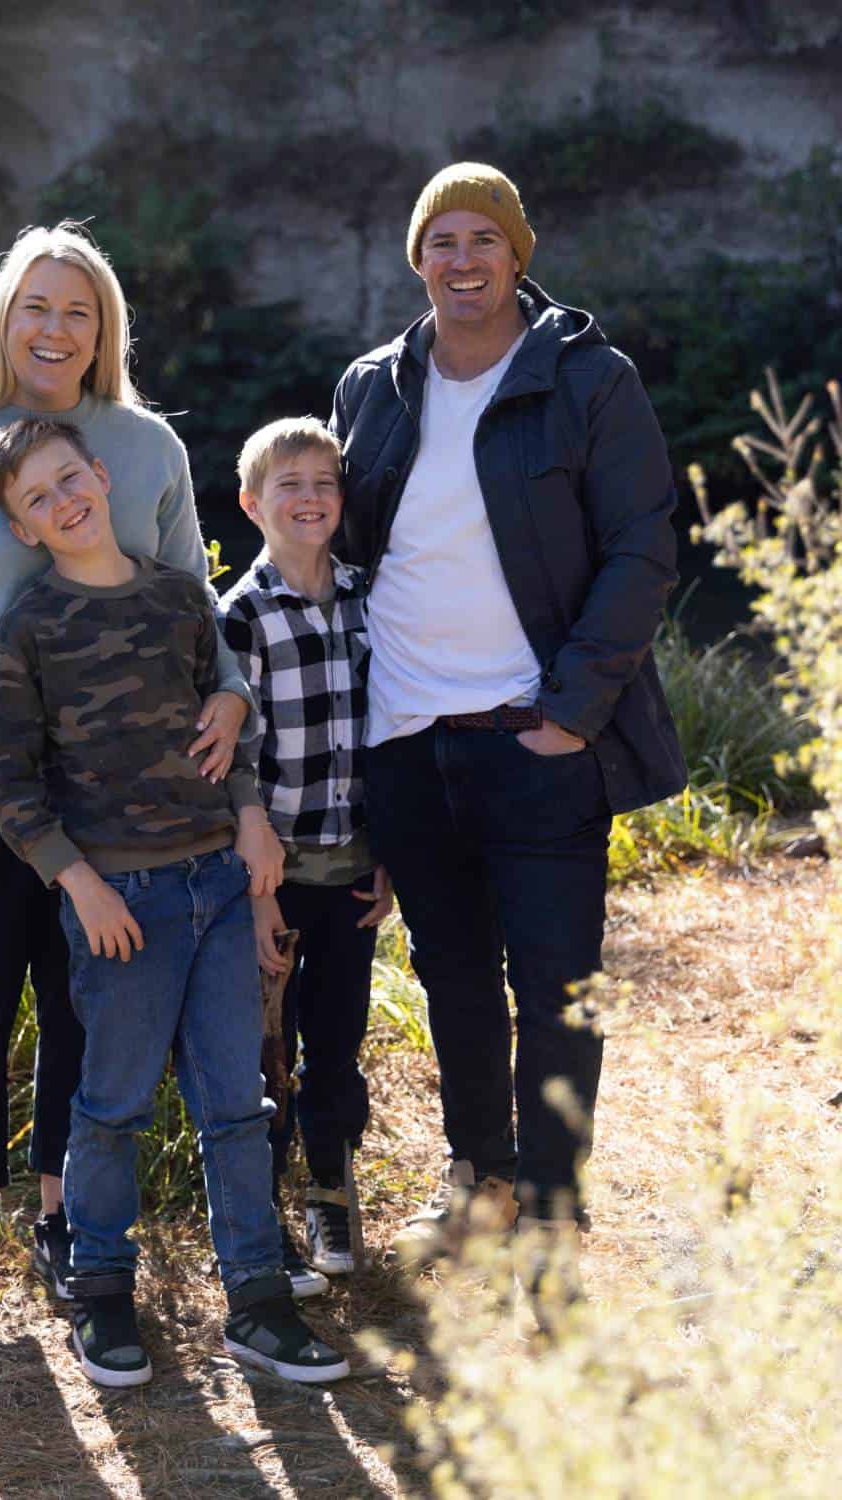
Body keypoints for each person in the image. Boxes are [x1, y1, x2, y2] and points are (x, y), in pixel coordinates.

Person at [0, 222, 252, 1332]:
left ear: (103, 329)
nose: (56, 329)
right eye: (37, 306)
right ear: (3, 317)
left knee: (91, 1006)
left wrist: (230, 692)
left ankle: (68, 1217)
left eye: (79, 311)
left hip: (116, 792)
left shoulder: (145, 449)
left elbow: (191, 596)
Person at [329, 162, 686, 1302]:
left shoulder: (590, 379)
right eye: (440, 239)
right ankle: (477, 1175)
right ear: (415, 258)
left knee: (556, 988)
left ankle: (550, 1222)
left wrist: (573, 713)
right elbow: (342, 556)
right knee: (454, 983)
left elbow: (643, 550)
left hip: (535, 739)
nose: (462, 259)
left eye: (484, 237)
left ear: (517, 254)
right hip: (404, 745)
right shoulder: (372, 388)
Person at [0, 415, 350, 1387]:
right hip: (122, 905)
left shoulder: (180, 598)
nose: (64, 502)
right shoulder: (29, 629)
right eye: (38, 500)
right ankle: (101, 1298)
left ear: (99, 474)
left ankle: (258, 1305)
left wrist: (252, 821)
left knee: (236, 1103)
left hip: (220, 886)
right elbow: (9, 784)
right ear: (25, 527)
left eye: (70, 479)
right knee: (112, 1107)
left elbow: (230, 729)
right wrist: (82, 884)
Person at [218, 417, 392, 1299]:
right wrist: (253, 896)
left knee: (336, 1039)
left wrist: (390, 856)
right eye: (289, 484)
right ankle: (262, 1212)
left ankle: (331, 1185)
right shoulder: (237, 617)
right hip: (271, 878)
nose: (311, 498)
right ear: (252, 503)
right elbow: (229, 764)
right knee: (262, 1050)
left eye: (325, 481)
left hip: (353, 865)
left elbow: (393, 730)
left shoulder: (371, 597)